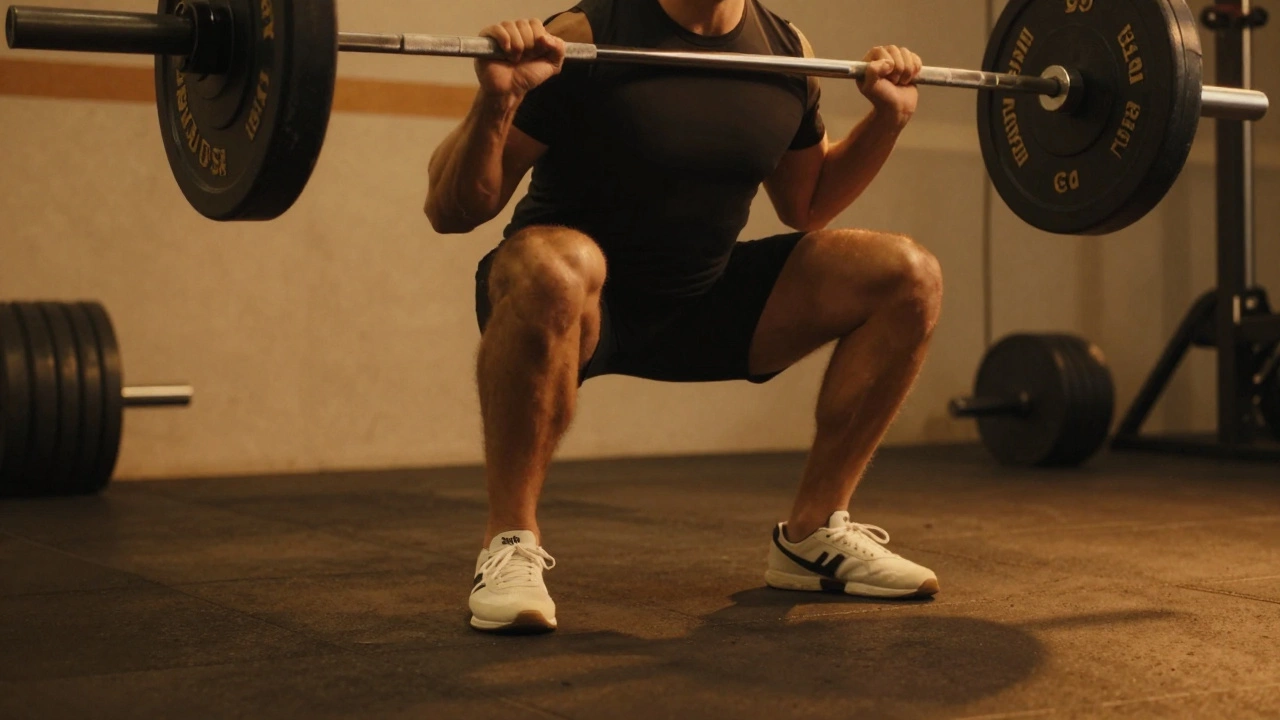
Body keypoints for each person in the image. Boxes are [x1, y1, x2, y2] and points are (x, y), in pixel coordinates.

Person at [425, 0, 944, 634]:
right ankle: (509, 542)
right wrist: (498, 102)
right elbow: (452, 208)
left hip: (706, 300)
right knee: (558, 264)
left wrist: (886, 120)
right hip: (569, 302)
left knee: (908, 275)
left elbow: (807, 205)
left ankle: (813, 537)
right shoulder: (590, 35)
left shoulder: (786, 51)